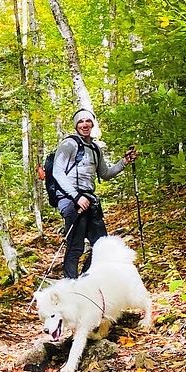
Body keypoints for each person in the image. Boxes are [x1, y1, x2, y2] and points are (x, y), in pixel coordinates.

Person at [53, 109, 137, 279]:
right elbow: (57, 172)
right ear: (76, 125)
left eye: (88, 121)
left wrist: (124, 162)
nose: (84, 124)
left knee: (102, 244)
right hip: (71, 199)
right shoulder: (68, 145)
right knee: (75, 246)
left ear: (92, 124)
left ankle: (85, 279)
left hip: (89, 199)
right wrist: (76, 196)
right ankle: (71, 285)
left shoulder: (95, 148)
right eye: (80, 122)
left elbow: (105, 174)